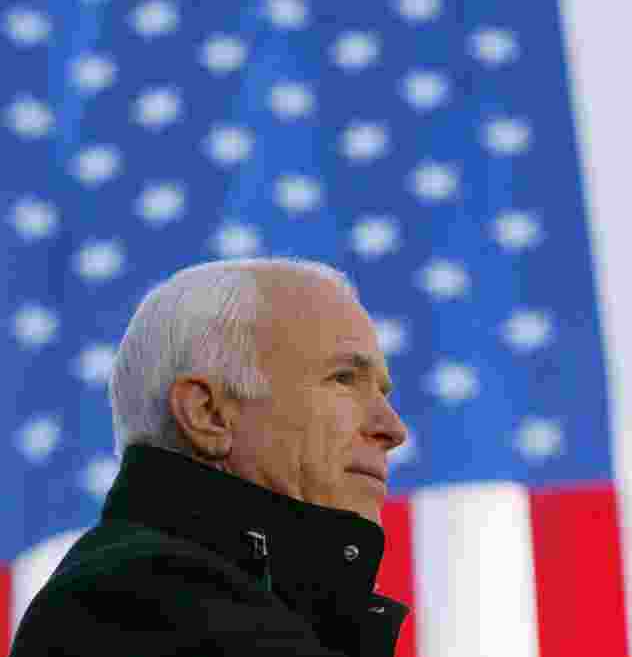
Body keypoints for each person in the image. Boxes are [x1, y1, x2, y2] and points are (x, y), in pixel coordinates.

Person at [10, 258, 411, 656]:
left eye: (381, 391)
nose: (392, 429)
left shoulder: (236, 601)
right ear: (208, 414)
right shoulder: (137, 600)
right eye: (344, 379)